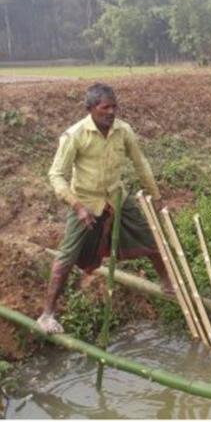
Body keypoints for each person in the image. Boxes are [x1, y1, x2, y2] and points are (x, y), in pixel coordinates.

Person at [39, 83, 173, 334]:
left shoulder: (124, 131)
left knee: (151, 237)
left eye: (114, 107)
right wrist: (77, 206)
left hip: (116, 196)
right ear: (90, 109)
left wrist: (156, 197)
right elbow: (56, 175)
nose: (111, 112)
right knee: (66, 257)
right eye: (105, 107)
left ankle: (167, 283)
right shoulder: (75, 135)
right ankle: (47, 314)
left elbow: (140, 163)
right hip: (86, 200)